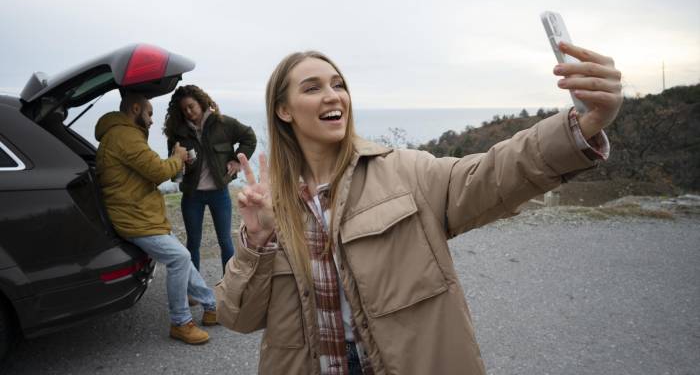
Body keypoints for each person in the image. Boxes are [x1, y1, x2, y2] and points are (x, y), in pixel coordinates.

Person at [215, 42, 622, 374]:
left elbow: (497, 172)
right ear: (284, 111)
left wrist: (581, 127)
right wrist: (257, 239)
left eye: (338, 84)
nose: (333, 95)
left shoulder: (407, 172)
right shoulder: (273, 205)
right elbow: (238, 317)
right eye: (311, 87)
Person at [95, 91, 218, 345]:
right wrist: (178, 158)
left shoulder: (121, 134)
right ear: (135, 109)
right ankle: (181, 322)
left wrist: (172, 160)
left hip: (141, 214)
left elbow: (146, 168)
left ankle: (211, 305)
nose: (152, 121)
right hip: (134, 218)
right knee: (180, 258)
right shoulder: (124, 136)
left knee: (182, 258)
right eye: (149, 114)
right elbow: (159, 171)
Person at [163, 85, 257, 277]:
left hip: (219, 193)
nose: (189, 112)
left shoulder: (223, 124)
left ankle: (229, 286)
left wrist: (237, 160)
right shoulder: (178, 133)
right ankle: (194, 289)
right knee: (193, 242)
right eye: (184, 110)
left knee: (225, 241)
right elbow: (175, 171)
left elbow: (249, 137)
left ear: (201, 102)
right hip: (191, 195)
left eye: (191, 106)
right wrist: (180, 161)